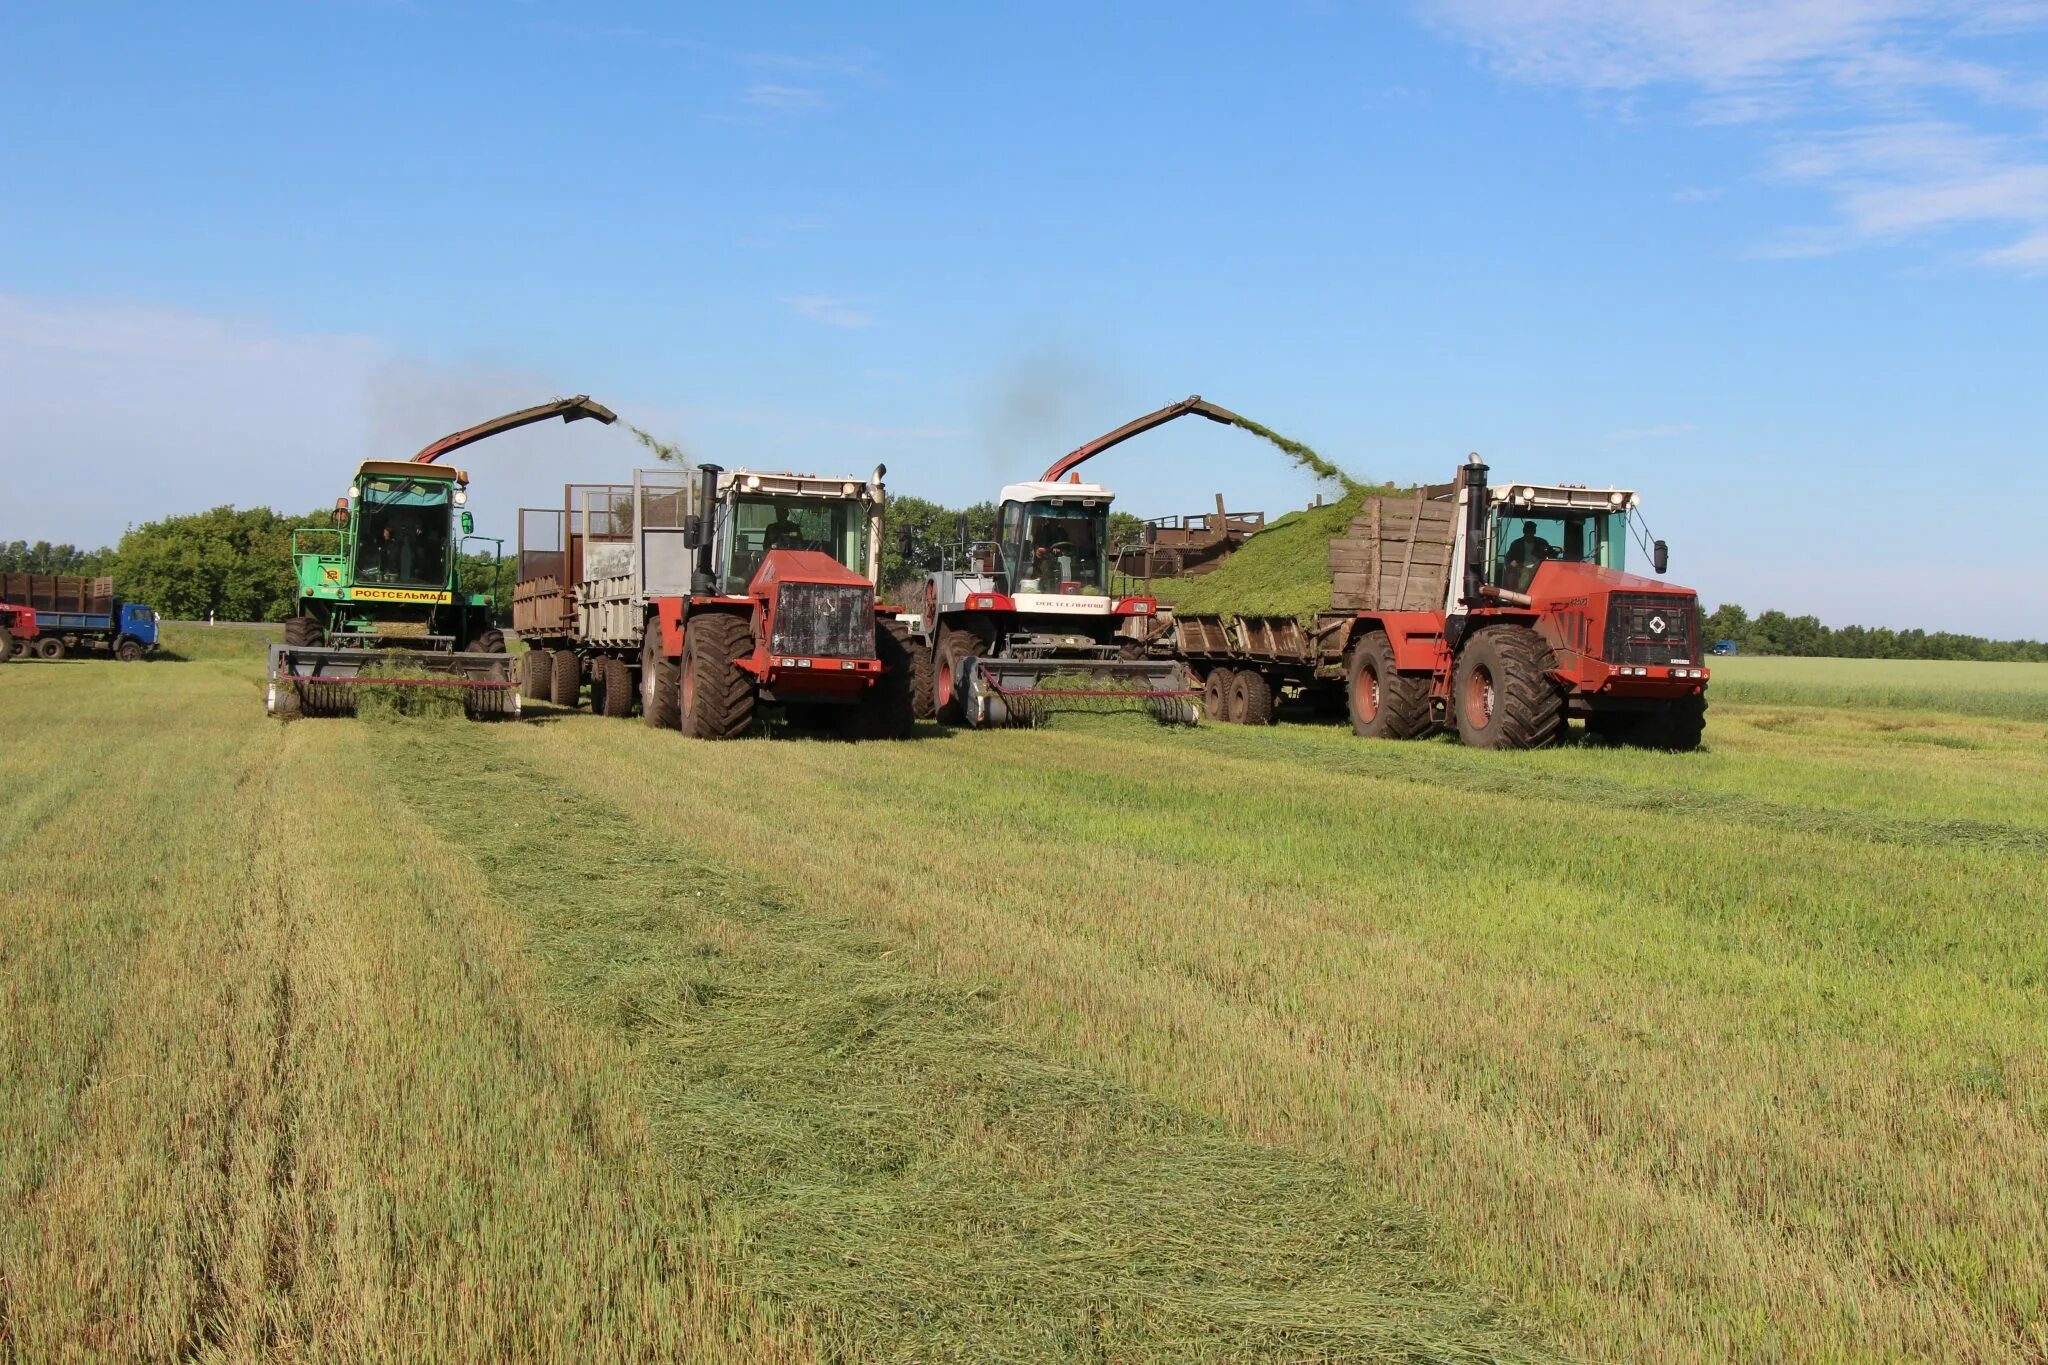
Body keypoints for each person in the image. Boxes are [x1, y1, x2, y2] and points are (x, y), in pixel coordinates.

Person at [1502, 520, 1551, 591]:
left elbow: (1550, 553)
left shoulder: (1542, 542)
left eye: (1531, 531)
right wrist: (1511, 563)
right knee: (1524, 574)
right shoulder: (1516, 544)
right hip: (1521, 567)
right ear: (1524, 531)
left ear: (1534, 532)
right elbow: (1508, 558)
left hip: (1539, 567)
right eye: (1527, 530)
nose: (1529, 533)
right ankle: (1521, 593)